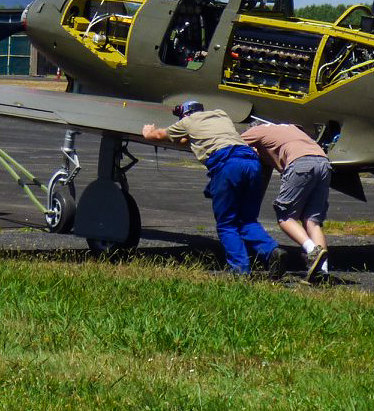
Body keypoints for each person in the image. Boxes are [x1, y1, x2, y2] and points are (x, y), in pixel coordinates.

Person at [142, 101, 283, 276]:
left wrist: (148, 131)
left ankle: (240, 271)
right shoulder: (220, 114)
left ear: (185, 114)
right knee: (248, 220)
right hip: (251, 162)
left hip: (228, 164)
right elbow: (191, 138)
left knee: (227, 224)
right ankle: (272, 251)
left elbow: (157, 136)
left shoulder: (188, 121)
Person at [239, 122, 332, 283]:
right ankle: (322, 272)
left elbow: (233, 145)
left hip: (300, 163)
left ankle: (312, 251)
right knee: (312, 221)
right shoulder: (290, 127)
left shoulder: (256, 131)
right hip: (324, 162)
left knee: (285, 216)